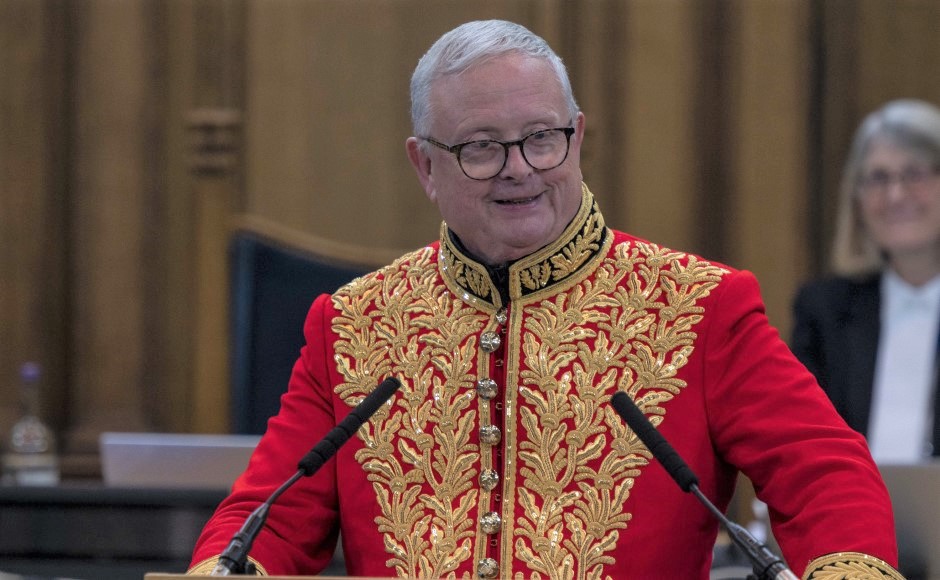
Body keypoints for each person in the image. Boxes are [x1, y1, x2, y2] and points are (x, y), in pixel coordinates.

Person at [189, 20, 901, 578]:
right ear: (424, 165)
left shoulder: (698, 306)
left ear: (578, 135)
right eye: (481, 147)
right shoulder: (350, 326)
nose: (519, 169)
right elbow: (267, 518)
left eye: (541, 138)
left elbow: (826, 475)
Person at [792, 99, 940, 464]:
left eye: (915, 174)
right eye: (878, 178)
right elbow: (802, 448)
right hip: (851, 518)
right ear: (856, 198)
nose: (896, 195)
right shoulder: (824, 313)